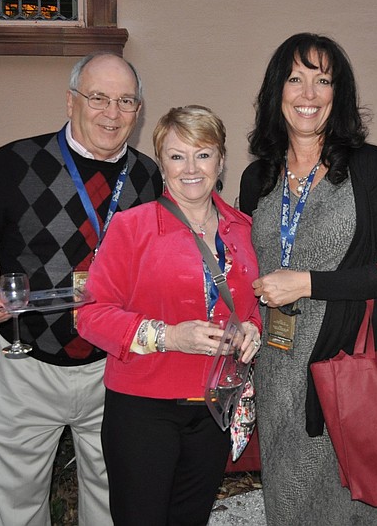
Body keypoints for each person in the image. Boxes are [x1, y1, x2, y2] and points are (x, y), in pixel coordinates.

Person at [0, 52, 163, 525]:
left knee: (113, 499)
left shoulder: (150, 177)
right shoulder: (16, 162)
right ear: (71, 101)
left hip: (115, 367)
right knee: (17, 501)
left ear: (139, 111)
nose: (112, 112)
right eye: (98, 97)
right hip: (25, 366)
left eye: (126, 100)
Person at [239, 33, 377, 525]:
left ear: (339, 95)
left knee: (358, 501)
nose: (309, 94)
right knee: (290, 502)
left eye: (323, 81)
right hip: (276, 373)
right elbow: (244, 270)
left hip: (349, 366)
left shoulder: (367, 165)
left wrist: (309, 283)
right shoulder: (258, 179)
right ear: (278, 91)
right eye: (296, 79)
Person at [76, 105, 262, 525]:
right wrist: (168, 336)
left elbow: (257, 305)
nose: (191, 168)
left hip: (215, 406)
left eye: (203, 153)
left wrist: (253, 328)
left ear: (221, 160)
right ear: (162, 163)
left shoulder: (244, 229)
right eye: (177, 156)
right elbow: (90, 315)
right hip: (144, 410)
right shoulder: (132, 227)